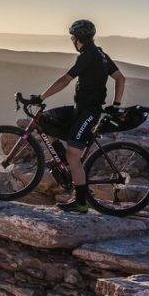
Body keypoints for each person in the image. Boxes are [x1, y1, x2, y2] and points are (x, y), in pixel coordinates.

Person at [32, 19, 126, 213]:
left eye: (72, 38)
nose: (72, 42)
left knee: (74, 154)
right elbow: (120, 78)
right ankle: (64, 163)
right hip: (79, 109)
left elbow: (65, 80)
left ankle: (81, 203)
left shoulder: (87, 56)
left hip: (89, 112)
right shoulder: (101, 54)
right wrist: (116, 105)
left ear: (77, 39)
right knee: (44, 120)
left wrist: (41, 97)